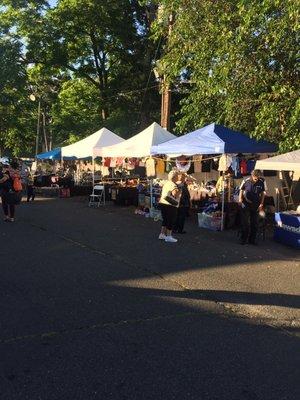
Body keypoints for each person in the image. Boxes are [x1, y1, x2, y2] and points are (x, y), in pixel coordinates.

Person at [238, 169, 267, 245]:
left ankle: (252, 240)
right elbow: (241, 190)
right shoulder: (245, 180)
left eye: (258, 177)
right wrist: (240, 199)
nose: (256, 179)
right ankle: (243, 239)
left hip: (256, 205)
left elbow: (263, 193)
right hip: (246, 204)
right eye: (255, 177)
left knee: (255, 223)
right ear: (252, 175)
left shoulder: (262, 181)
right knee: (245, 223)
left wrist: (261, 204)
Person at [158, 170, 181, 243]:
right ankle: (168, 236)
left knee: (165, 219)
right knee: (171, 220)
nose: (178, 177)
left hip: (163, 202)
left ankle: (162, 234)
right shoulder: (172, 184)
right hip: (170, 204)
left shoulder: (167, 183)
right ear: (175, 177)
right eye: (177, 176)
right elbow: (175, 194)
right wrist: (180, 189)